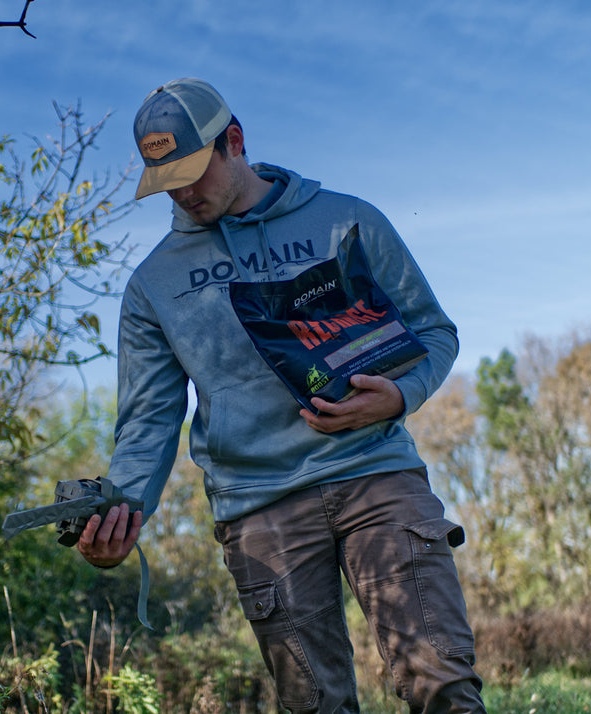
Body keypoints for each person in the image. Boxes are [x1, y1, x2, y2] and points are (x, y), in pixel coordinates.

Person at [77, 77, 486, 714]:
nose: (183, 194)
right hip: (258, 507)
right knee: (315, 706)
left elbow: (434, 333)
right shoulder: (152, 285)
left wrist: (399, 397)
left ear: (233, 142)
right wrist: (120, 512)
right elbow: (149, 420)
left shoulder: (346, 219)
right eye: (166, 181)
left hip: (374, 474)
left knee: (442, 682)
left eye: (192, 172)